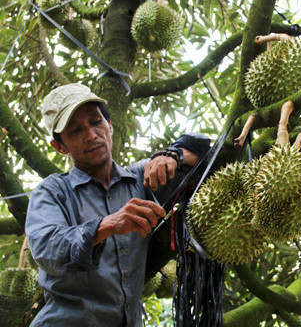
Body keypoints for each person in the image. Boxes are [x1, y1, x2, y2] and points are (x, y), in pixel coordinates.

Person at [25, 83, 211, 327]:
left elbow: (213, 154)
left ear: (110, 126)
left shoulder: (142, 178)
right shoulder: (52, 191)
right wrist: (107, 225)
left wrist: (173, 154)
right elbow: (48, 249)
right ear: (60, 146)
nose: (91, 135)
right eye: (75, 130)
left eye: (96, 122)